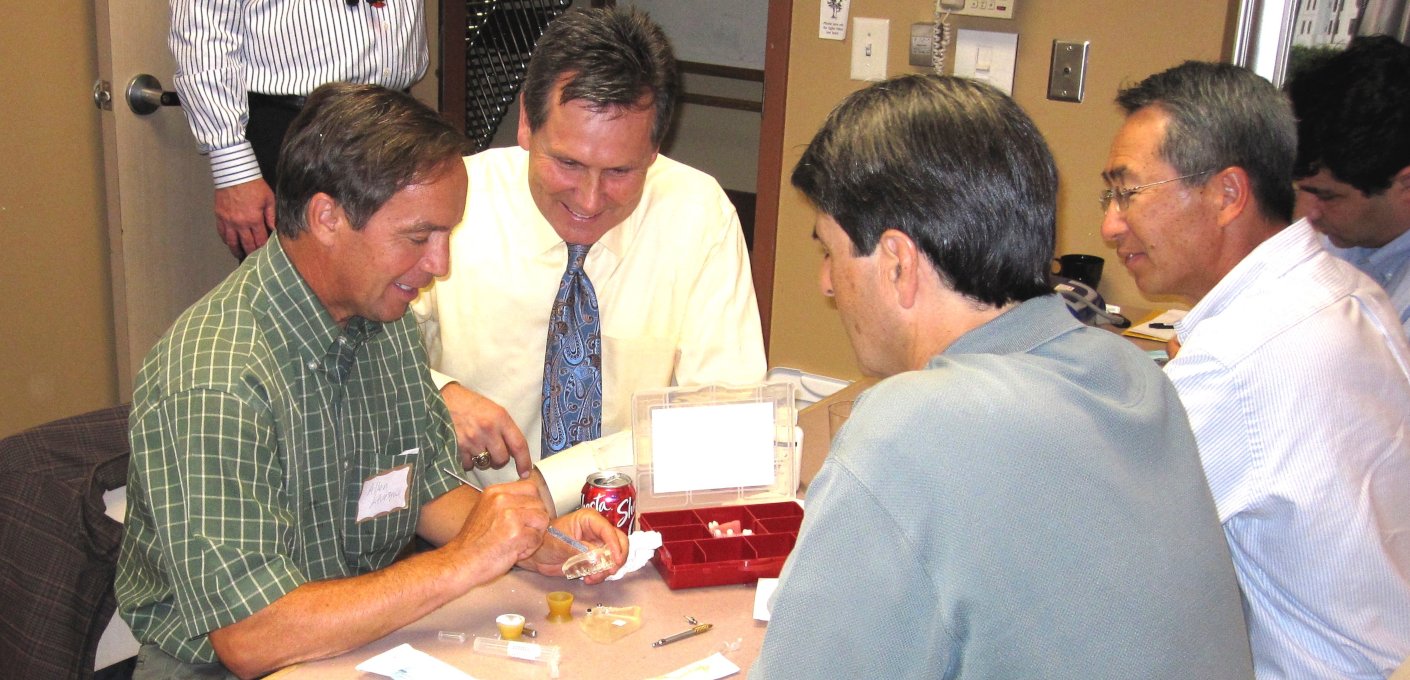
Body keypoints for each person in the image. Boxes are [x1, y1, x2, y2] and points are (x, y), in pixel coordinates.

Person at [115, 83, 627, 680]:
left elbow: (428, 492)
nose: (440, 265)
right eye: (418, 237)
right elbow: (252, 636)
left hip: (358, 638)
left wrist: (535, 540)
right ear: (327, 216)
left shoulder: (381, 320)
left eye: (447, 235)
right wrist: (462, 562)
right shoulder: (215, 379)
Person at [751, 74, 1252, 679]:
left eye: (830, 251)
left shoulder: (911, 424)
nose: (827, 283)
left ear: (897, 263)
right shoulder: (1128, 372)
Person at [1101, 61, 1410, 678]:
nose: (1110, 225)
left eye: (1127, 192)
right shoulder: (1348, 292)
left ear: (1227, 195)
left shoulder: (1236, 362)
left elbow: (1093, 543)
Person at [412, 7, 766, 515]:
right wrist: (438, 393)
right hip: (460, 517)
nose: (590, 198)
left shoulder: (697, 215)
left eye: (620, 170)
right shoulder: (453, 202)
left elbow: (722, 419)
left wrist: (551, 486)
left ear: (655, 149)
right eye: (569, 163)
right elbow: (361, 349)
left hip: (632, 525)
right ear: (527, 125)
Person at [169, 0, 428, 259]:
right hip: (299, 129)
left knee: (400, 271)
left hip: (397, 118)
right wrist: (233, 169)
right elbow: (203, 33)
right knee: (297, 290)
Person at [1285, 35, 1410, 335]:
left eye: (1327, 196)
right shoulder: (1332, 241)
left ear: (1406, 186)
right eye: (1301, 188)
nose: (1305, 215)